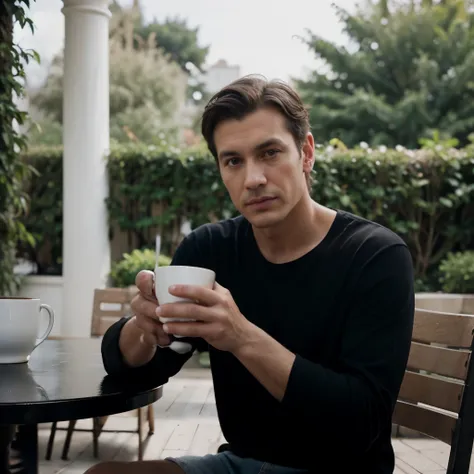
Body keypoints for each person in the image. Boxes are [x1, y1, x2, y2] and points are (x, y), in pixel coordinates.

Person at [86, 75, 414, 474]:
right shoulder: (210, 251)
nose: (253, 179)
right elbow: (139, 367)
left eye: (270, 153)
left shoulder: (374, 256)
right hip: (241, 464)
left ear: (306, 152)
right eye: (233, 161)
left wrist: (241, 336)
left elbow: (361, 422)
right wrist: (144, 327)